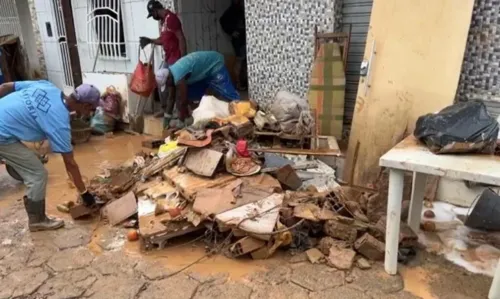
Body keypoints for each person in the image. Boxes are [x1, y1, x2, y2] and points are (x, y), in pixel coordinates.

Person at [0, 80, 100, 232]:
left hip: (6, 124)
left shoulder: (47, 86)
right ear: (85, 106)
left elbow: (6, 87)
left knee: (37, 158)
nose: (90, 113)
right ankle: (37, 220)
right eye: (92, 109)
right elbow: (70, 163)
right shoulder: (59, 123)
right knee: (38, 174)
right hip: (3, 135)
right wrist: (85, 194)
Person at [156, 51, 240, 127]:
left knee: (228, 94)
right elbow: (171, 98)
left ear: (168, 79)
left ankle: (241, 114)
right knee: (189, 93)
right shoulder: (170, 74)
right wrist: (167, 117)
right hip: (202, 71)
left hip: (214, 63)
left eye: (167, 84)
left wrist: (181, 121)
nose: (168, 87)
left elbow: (182, 101)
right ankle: (193, 116)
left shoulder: (179, 77)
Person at [140, 0, 187, 118]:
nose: (153, 17)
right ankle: (166, 109)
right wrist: (150, 40)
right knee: (161, 81)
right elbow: (163, 40)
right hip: (168, 57)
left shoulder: (171, 19)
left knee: (175, 85)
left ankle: (178, 111)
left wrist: (183, 59)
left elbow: (181, 38)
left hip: (176, 58)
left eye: (152, 15)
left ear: (155, 11)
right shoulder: (163, 22)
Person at [220, 0, 247, 91]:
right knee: (240, 60)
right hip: (239, 40)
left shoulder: (239, 9)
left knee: (243, 61)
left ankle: (241, 82)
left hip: (242, 38)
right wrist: (232, 32)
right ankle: (237, 83)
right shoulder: (232, 10)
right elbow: (222, 20)